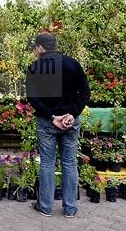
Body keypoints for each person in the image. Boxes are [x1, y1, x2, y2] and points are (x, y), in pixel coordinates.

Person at [25, 32, 90, 218]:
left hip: (47, 122)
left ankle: (45, 207)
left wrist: (52, 116)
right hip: (70, 121)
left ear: (40, 48)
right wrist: (72, 114)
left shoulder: (35, 67)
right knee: (69, 162)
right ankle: (69, 209)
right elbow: (85, 93)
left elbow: (33, 97)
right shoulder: (72, 64)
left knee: (47, 162)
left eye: (35, 47)